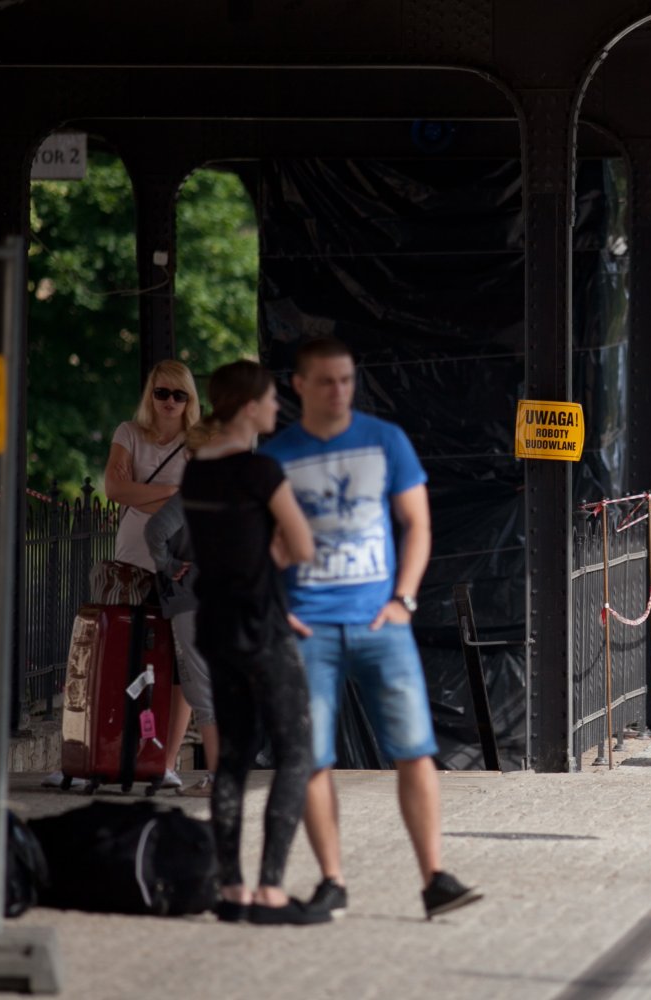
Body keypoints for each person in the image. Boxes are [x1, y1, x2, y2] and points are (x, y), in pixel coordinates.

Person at [259, 337, 481, 921]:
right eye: (327, 381)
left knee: (415, 749)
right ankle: (332, 881)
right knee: (312, 758)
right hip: (309, 628)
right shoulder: (277, 455)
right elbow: (256, 542)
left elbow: (418, 524)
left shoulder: (386, 441)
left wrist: (404, 600)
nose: (339, 391)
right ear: (299, 386)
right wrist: (277, 607)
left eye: (347, 380)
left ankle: (435, 877)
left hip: (382, 621)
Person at [179, 359, 324, 925]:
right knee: (295, 752)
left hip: (215, 625)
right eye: (267, 400)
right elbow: (303, 544)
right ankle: (270, 890)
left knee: (233, 759)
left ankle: (232, 889)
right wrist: (277, 560)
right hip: (262, 627)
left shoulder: (195, 473)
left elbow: (222, 545)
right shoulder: (261, 470)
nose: (274, 409)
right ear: (247, 408)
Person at [45, 360, 199, 790]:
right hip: (129, 565)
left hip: (178, 566)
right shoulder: (128, 433)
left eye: (179, 394)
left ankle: (163, 761)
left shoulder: (198, 444)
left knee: (178, 668)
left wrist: (148, 496)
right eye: (161, 393)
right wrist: (172, 496)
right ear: (149, 394)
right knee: (107, 657)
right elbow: (114, 490)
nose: (169, 402)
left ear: (190, 400)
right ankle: (89, 753)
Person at [144, 491, 218, 796]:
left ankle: (218, 778)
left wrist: (167, 564)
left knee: (200, 688)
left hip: (193, 598)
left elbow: (156, 529)